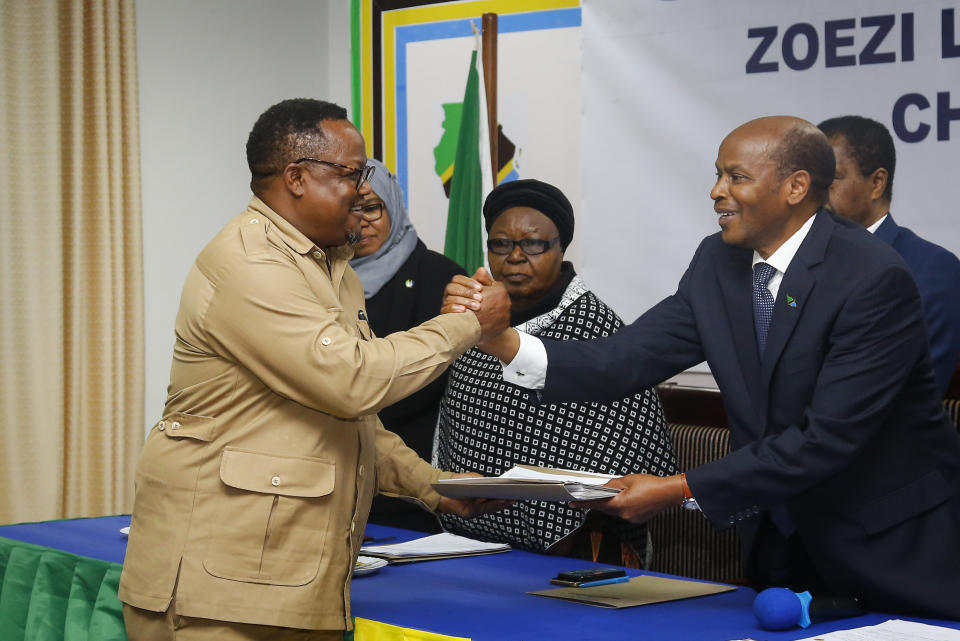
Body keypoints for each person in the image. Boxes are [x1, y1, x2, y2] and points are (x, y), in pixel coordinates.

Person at [446, 116, 960, 619]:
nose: (717, 191)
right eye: (717, 174)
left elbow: (826, 439)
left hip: (887, 549)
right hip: (780, 548)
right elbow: (625, 357)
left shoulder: (872, 276)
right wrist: (505, 341)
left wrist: (677, 488)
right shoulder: (719, 261)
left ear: (796, 187)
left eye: (736, 177)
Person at [118, 98, 510, 640]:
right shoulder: (253, 263)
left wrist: (433, 486)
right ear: (297, 177)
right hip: (220, 590)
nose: (361, 189)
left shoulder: (329, 265)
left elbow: (347, 418)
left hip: (283, 580)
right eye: (351, 172)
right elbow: (353, 381)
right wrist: (467, 323)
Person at [434, 179, 678, 567]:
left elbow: (632, 450)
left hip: (579, 550)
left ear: (560, 248)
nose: (514, 257)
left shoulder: (595, 326)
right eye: (500, 244)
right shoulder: (476, 321)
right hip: (467, 542)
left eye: (532, 244)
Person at [350, 158, 466, 532]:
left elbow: (443, 370)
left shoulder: (439, 275)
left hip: (416, 472)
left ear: (393, 207)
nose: (361, 220)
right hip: (340, 467)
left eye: (372, 207)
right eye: (350, 209)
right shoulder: (324, 278)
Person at [818, 115, 960, 398]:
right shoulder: (800, 265)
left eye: (830, 179)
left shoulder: (932, 270)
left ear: (877, 183)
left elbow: (912, 397)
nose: (813, 193)